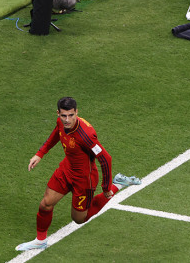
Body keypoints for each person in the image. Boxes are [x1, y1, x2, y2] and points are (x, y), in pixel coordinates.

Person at [16, 97, 141, 251]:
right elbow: (57, 132)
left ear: (76, 112)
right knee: (46, 204)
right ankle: (40, 241)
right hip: (67, 169)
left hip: (84, 179)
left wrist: (106, 187)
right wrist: (40, 153)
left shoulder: (86, 135)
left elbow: (105, 158)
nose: (67, 120)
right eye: (63, 116)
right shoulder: (61, 122)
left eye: (71, 115)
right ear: (58, 114)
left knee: (79, 219)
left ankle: (117, 184)